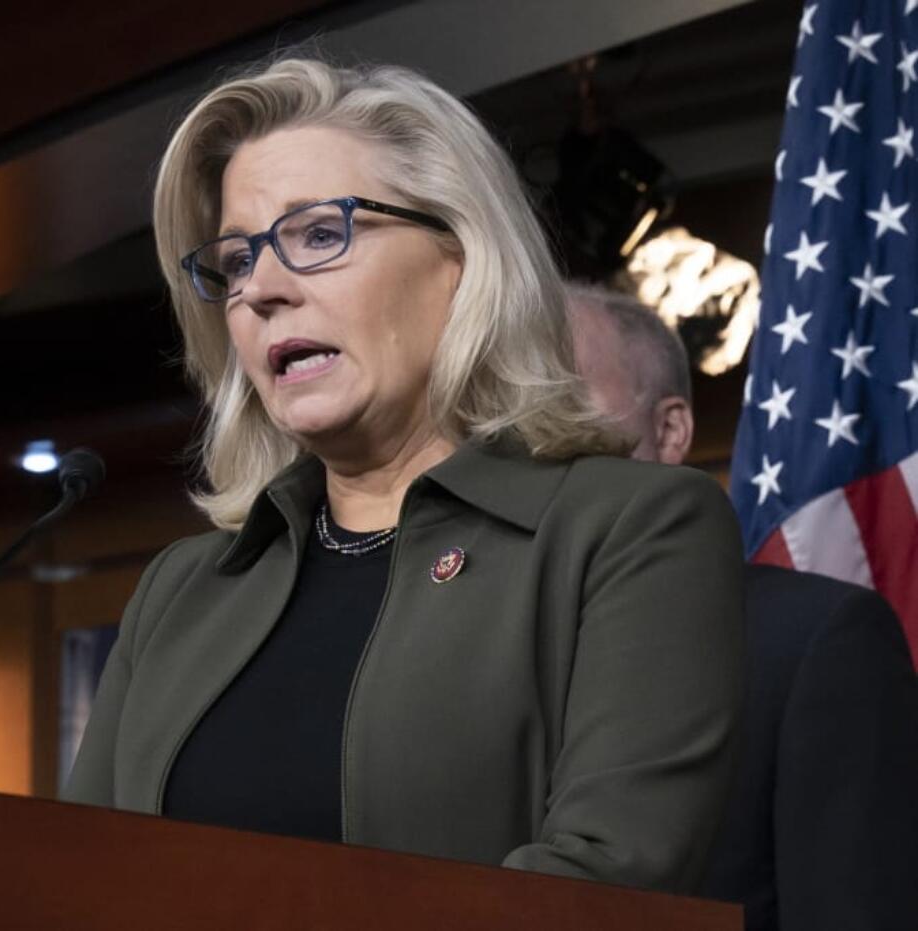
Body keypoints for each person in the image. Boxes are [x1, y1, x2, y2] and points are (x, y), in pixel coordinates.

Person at [63, 57, 745, 894]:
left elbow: (603, 880)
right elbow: (79, 884)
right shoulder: (181, 590)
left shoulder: (633, 530)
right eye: (237, 261)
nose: (262, 290)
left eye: (319, 234)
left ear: (459, 257)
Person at [567, 283, 918, 930]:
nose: (522, 432)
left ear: (669, 428)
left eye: (561, 396)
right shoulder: (455, 642)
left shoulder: (814, 640)